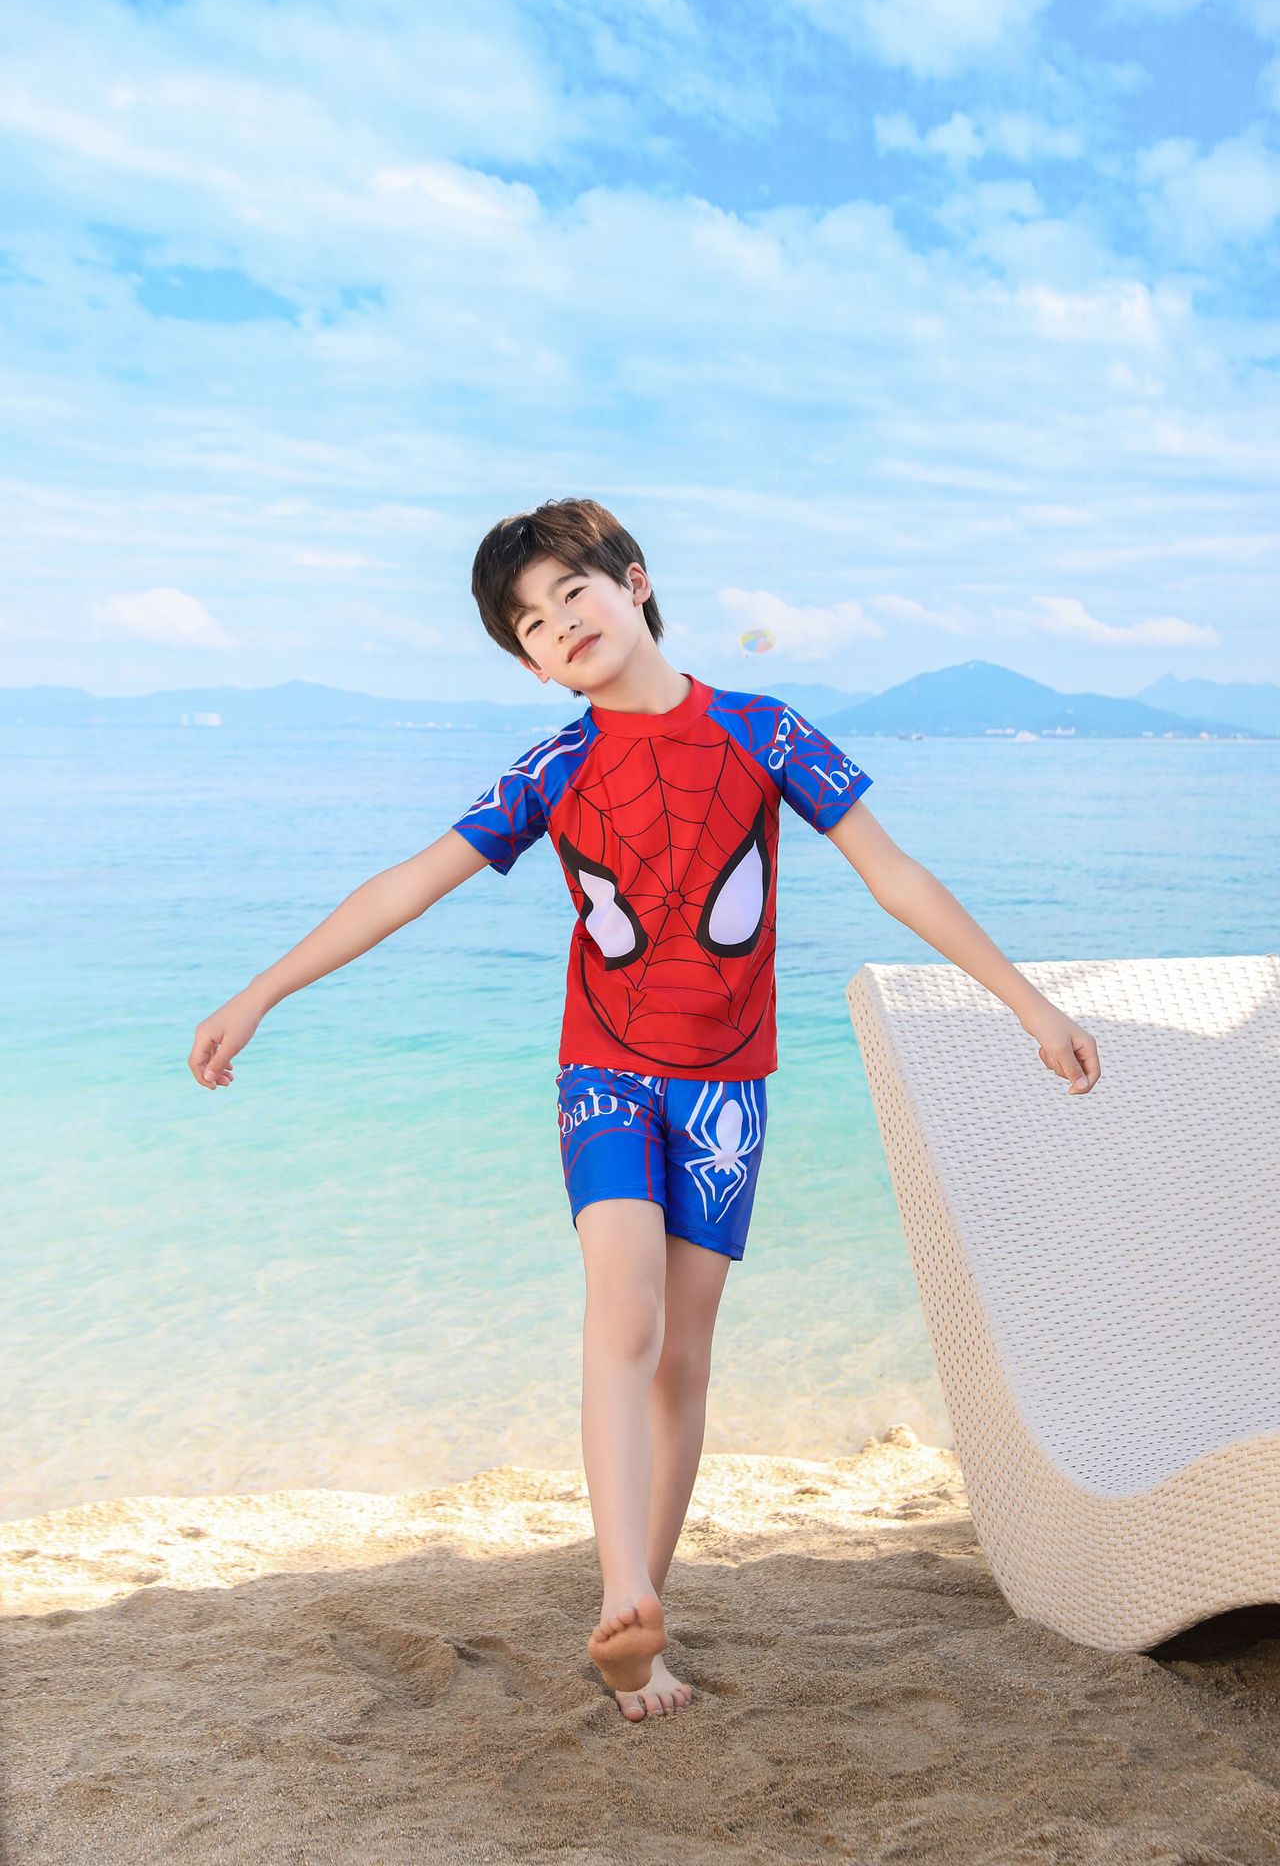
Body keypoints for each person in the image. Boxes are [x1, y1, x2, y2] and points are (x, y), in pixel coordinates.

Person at [188, 496, 1101, 1724]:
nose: (557, 623)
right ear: (526, 663)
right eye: (528, 623)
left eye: (571, 591)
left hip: (726, 1088)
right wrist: (261, 991)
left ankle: (642, 1618)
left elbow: (893, 877)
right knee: (623, 1310)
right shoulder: (554, 768)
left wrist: (1026, 1006)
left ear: (634, 582)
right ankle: (620, 1593)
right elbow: (407, 886)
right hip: (604, 1071)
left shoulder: (762, 730)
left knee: (682, 1354)